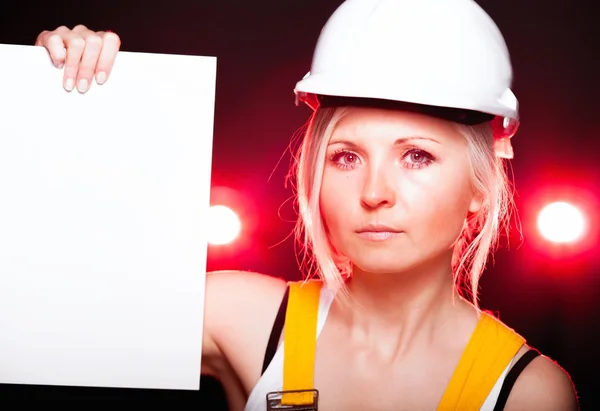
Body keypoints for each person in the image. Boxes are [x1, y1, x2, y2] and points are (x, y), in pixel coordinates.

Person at [35, 0, 579, 410]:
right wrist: (63, 96)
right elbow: (46, 315)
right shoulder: (238, 317)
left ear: (480, 187)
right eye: (345, 158)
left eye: (416, 157)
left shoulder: (528, 392)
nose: (373, 193)